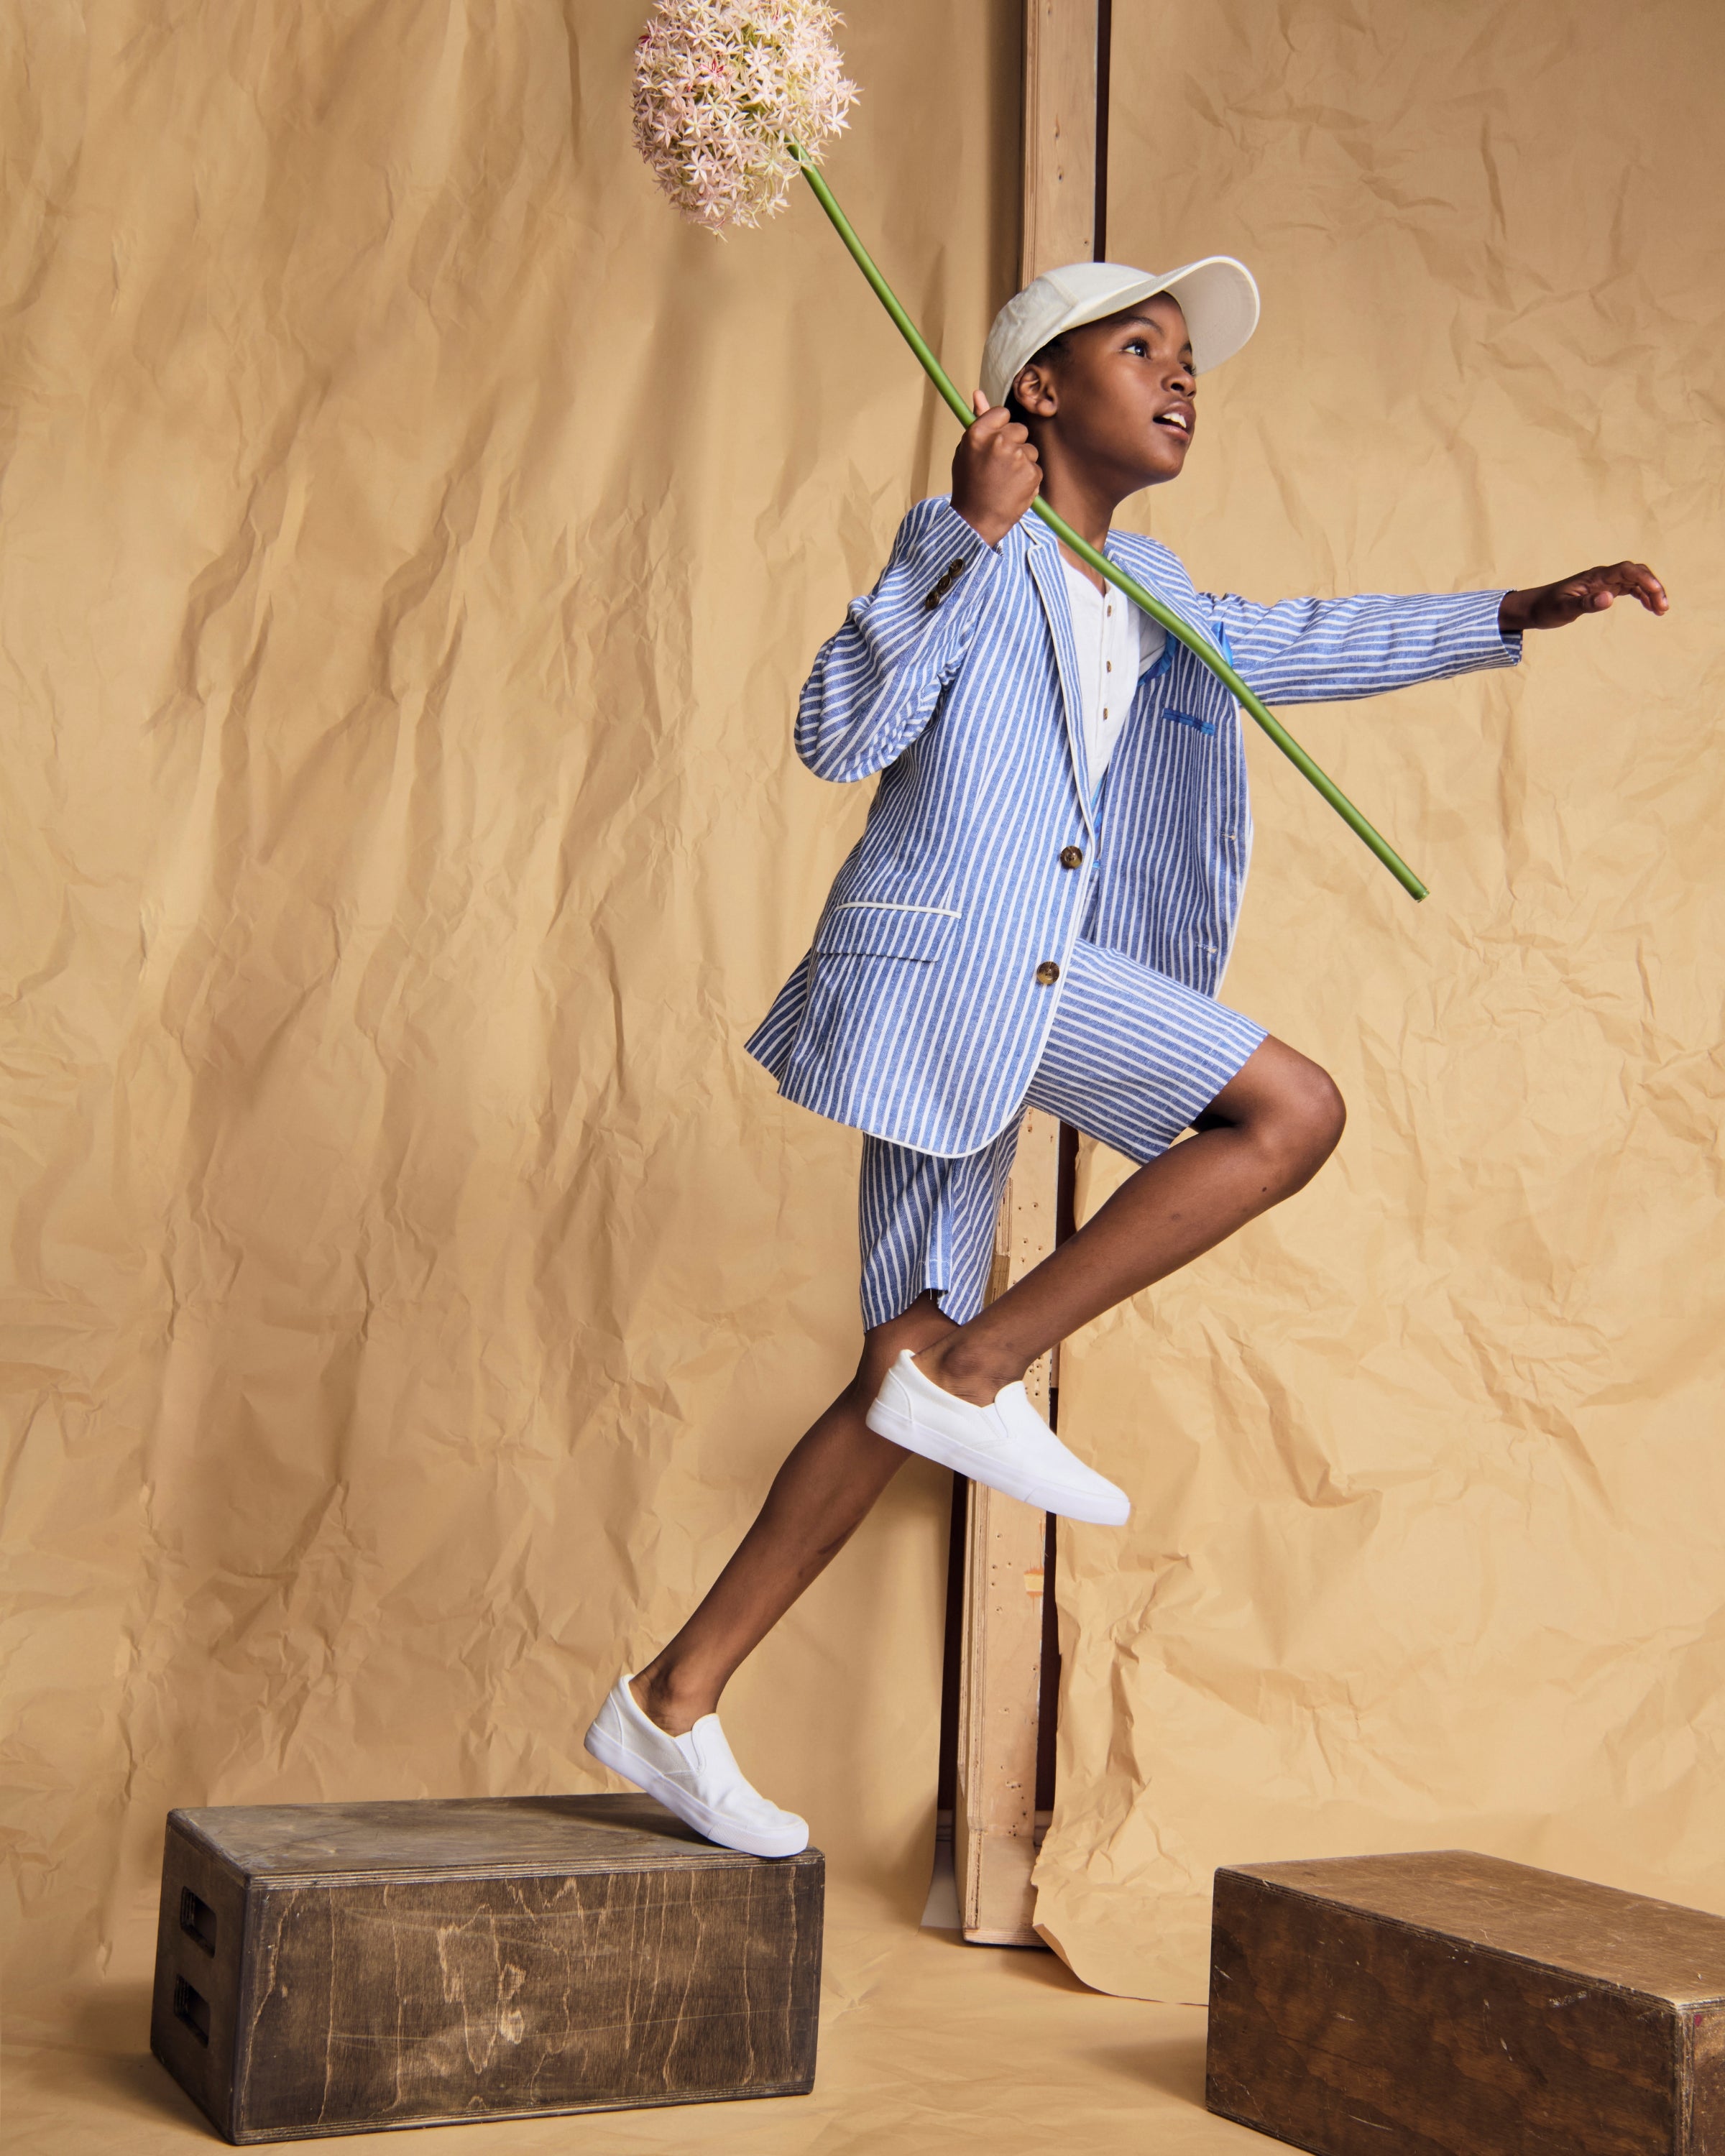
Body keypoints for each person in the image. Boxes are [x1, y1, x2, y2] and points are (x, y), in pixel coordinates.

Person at [584, 257, 1669, 1857]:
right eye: (1139, 348)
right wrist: (961, 534)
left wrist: (1513, 611)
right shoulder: (981, 551)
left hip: (1017, 984)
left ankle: (668, 1703)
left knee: (890, 1380)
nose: (1181, 377)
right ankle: (981, 1371)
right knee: (1288, 1110)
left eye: (1189, 362)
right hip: (955, 970)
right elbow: (835, 734)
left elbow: (1302, 642)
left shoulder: (1151, 603)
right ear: (1038, 393)